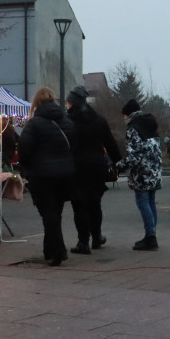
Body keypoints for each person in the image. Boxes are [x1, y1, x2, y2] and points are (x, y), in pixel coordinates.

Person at [18, 87, 76, 266]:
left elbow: (24, 149)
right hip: (65, 174)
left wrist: (27, 168)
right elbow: (74, 146)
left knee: (48, 213)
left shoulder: (34, 124)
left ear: (37, 104)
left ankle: (57, 251)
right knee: (55, 212)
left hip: (42, 175)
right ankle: (51, 250)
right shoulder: (66, 121)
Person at [66, 85, 122, 255]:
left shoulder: (68, 121)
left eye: (68, 102)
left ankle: (83, 241)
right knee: (94, 203)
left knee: (79, 205)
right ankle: (97, 237)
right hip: (97, 167)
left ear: (73, 103)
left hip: (76, 168)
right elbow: (110, 144)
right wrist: (119, 163)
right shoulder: (99, 120)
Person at [117, 98, 163, 250]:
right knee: (151, 202)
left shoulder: (133, 128)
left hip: (142, 172)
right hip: (155, 169)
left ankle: (150, 237)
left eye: (124, 116)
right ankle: (152, 235)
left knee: (143, 202)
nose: (124, 119)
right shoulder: (150, 124)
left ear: (129, 115)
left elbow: (135, 155)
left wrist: (120, 166)